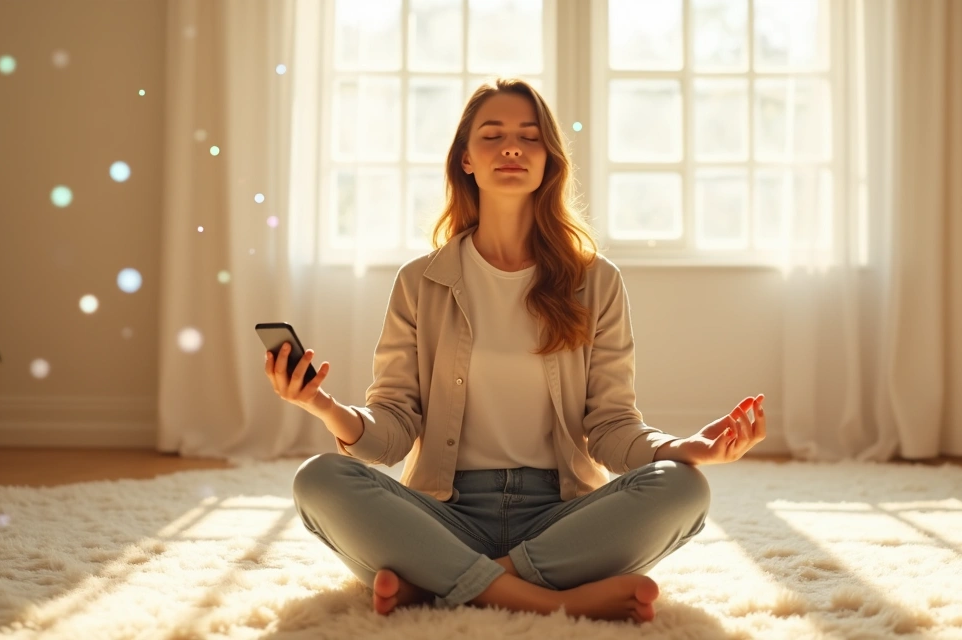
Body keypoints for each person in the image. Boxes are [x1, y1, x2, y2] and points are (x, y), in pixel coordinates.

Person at [265, 78, 767, 624]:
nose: (512, 148)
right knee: (319, 479)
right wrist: (320, 405)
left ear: (549, 161)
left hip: (560, 515)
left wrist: (684, 447)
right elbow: (391, 431)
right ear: (466, 160)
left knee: (682, 488)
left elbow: (612, 427)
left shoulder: (596, 282)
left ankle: (439, 583)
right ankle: (554, 598)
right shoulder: (420, 282)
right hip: (444, 512)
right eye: (493, 135)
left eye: (530, 138)